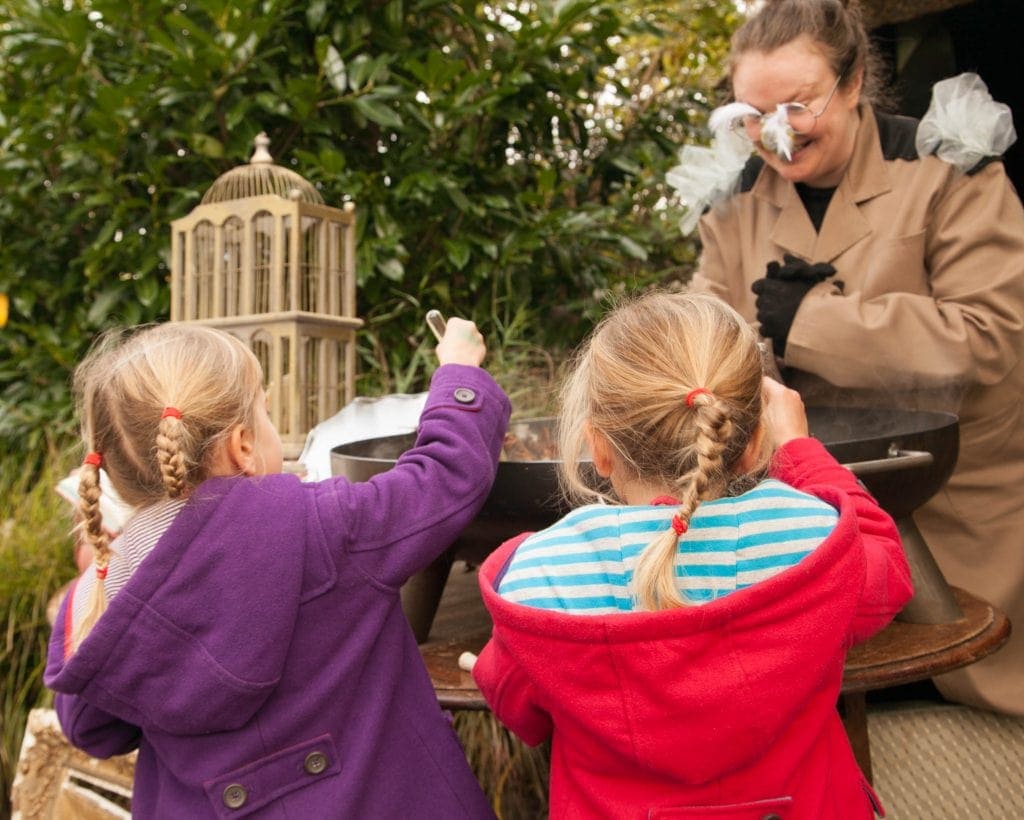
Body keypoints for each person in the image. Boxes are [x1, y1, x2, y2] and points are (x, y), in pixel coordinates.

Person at [681, 0, 1024, 717]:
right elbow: (700, 344)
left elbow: (994, 336)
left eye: (799, 105)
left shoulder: (944, 170)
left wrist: (810, 322)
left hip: (954, 503)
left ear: (855, 80)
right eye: (753, 112)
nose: (776, 133)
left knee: (968, 691)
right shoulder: (734, 205)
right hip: (802, 515)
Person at [471, 291, 912, 819]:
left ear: (600, 448)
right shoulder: (812, 538)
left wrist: (489, 672)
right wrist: (799, 449)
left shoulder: (542, 573)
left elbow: (523, 706)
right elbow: (886, 576)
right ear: (752, 446)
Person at [44, 320, 510, 818]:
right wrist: (459, 375)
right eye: (265, 408)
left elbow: (91, 727)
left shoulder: (109, 591)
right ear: (243, 445)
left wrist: (96, 579)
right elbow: (444, 477)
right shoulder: (322, 524)